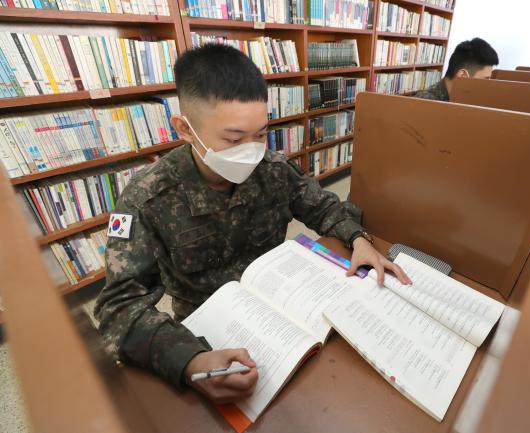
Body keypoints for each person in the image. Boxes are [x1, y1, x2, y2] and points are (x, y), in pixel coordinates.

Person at [94, 43, 411, 403]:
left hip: (283, 308)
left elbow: (322, 206)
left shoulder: (272, 168)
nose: (251, 150)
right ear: (184, 129)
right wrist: (190, 361)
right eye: (233, 139)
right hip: (207, 328)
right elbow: (118, 308)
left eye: (260, 134)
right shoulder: (146, 197)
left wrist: (358, 239)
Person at [416, 37, 499, 101]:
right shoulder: (425, 103)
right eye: (485, 80)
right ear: (462, 76)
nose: (487, 86)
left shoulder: (463, 99)